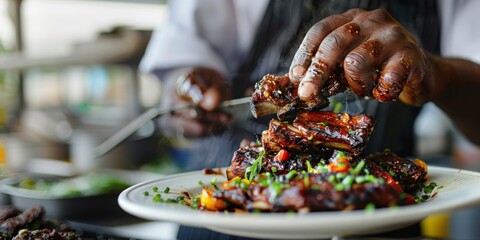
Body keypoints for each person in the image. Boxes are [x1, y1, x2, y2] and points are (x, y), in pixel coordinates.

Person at [140, 0, 480, 239]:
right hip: (220, 215)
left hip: (382, 219)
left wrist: (439, 73)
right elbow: (175, 81)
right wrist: (185, 96)